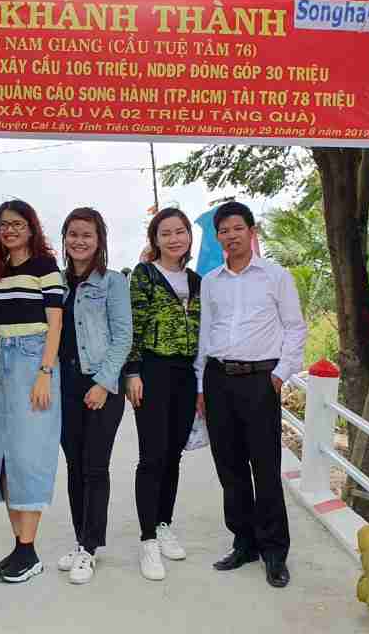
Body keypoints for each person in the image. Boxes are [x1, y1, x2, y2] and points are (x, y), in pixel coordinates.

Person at [196, 201, 306, 589]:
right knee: (230, 468)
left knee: (265, 467)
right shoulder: (211, 281)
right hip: (218, 379)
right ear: (218, 237)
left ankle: (274, 552)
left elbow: (295, 328)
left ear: (251, 231)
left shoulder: (276, 276)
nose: (231, 236)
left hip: (260, 380)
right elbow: (205, 334)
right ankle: (244, 543)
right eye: (223, 231)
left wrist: (279, 374)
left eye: (237, 228)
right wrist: (201, 385)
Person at [0, 200, 64, 583]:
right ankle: (20, 546)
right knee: (6, 455)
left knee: (30, 455)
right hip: (3, 361)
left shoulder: (45, 267)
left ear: (31, 228)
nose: (10, 230)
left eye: (17, 224)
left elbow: (56, 323)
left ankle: (29, 550)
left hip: (35, 360)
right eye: (4, 224)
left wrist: (45, 372)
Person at [55, 208, 132, 584]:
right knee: (73, 466)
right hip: (64, 385)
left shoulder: (113, 282)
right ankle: (80, 539)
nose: (79, 241)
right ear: (64, 238)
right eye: (73, 234)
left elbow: (123, 336)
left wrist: (103, 383)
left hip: (101, 384)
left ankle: (89, 547)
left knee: (95, 466)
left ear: (99, 239)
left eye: (87, 234)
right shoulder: (56, 282)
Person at [124, 207, 202, 581]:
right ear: (155, 239)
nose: (174, 238)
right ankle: (148, 539)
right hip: (152, 371)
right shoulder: (145, 275)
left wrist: (201, 383)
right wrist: (133, 372)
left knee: (173, 455)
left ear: (189, 236)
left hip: (185, 374)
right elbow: (133, 325)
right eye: (165, 233)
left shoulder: (197, 280)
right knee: (152, 456)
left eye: (179, 231)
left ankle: (164, 523)